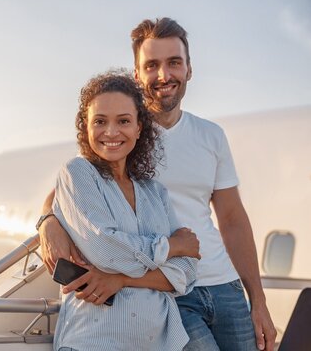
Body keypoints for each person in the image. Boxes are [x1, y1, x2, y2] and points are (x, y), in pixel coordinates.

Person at [38, 18, 276, 351]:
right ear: (138, 75)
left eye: (174, 63)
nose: (164, 75)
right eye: (152, 65)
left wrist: (258, 300)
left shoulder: (210, 136)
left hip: (222, 284)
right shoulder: (119, 132)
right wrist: (47, 223)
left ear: (189, 69)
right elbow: (67, 191)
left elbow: (233, 219)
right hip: (165, 291)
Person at [51, 70, 198, 351]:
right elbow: (107, 251)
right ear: (85, 127)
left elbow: (187, 272)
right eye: (100, 121)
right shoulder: (78, 172)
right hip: (93, 342)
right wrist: (172, 246)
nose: (111, 132)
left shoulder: (154, 192)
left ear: (139, 128)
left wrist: (121, 279)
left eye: (123, 121)